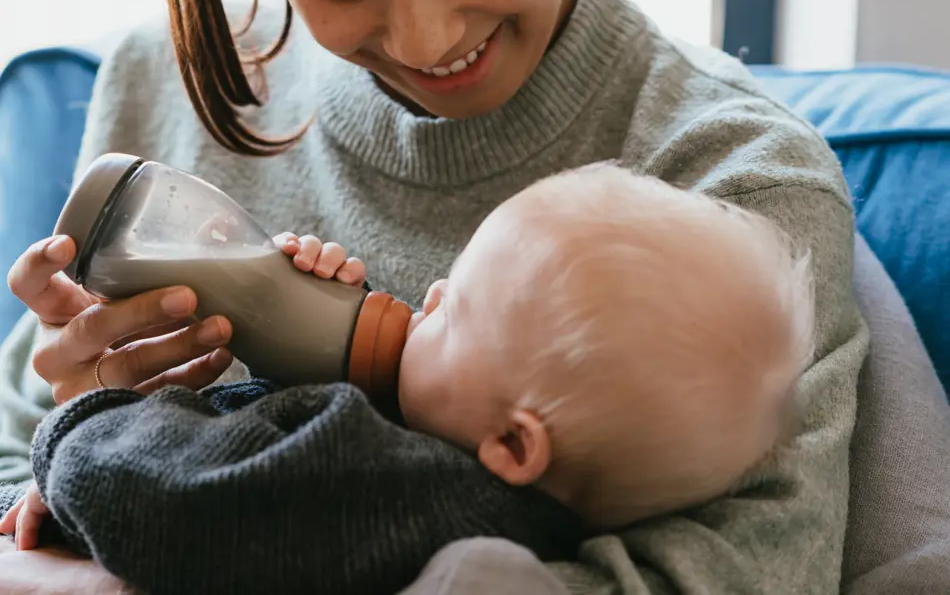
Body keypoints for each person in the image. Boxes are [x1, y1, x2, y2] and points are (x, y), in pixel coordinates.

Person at [0, 0, 868, 592]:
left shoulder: (737, 185)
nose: (425, 38)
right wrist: (80, 414)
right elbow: (12, 466)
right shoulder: (165, 84)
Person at [0, 166, 815, 595]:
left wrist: (87, 425)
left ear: (512, 445)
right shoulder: (447, 465)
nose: (427, 294)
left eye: (455, 312)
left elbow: (165, 502)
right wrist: (293, 345)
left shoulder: (386, 488)